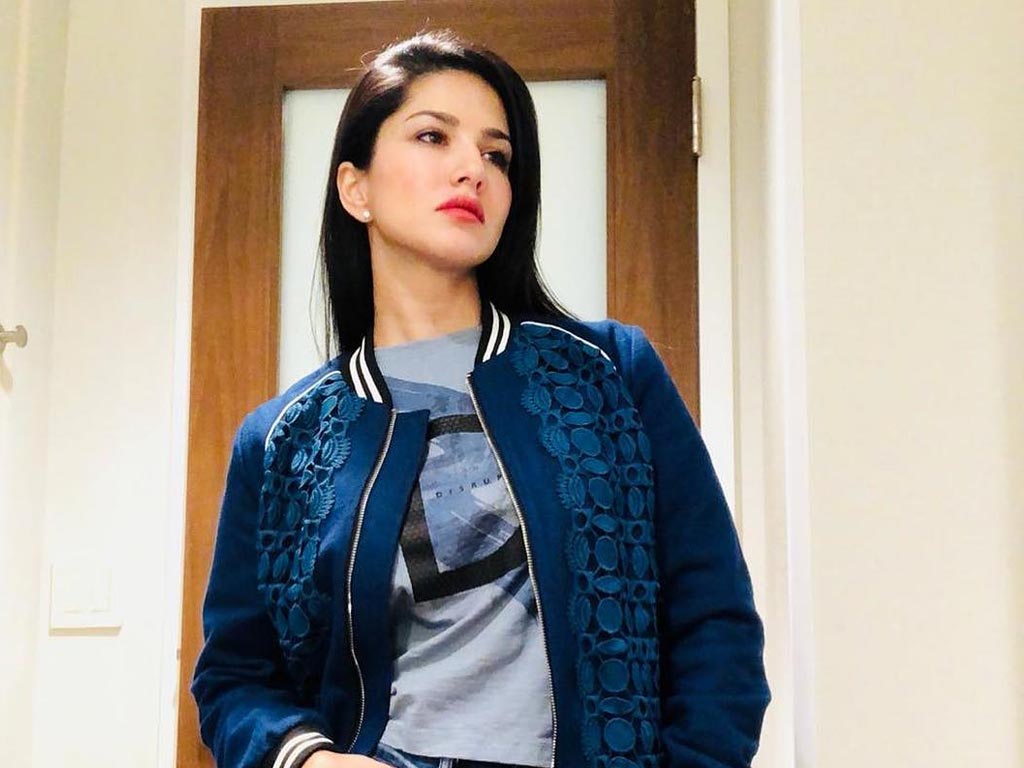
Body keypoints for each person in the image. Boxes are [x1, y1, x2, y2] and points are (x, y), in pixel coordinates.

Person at [191, 29, 770, 768]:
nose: (473, 169)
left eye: (497, 156)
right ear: (355, 188)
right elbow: (235, 676)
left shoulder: (611, 373)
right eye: (433, 137)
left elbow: (715, 621)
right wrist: (306, 757)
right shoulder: (283, 440)